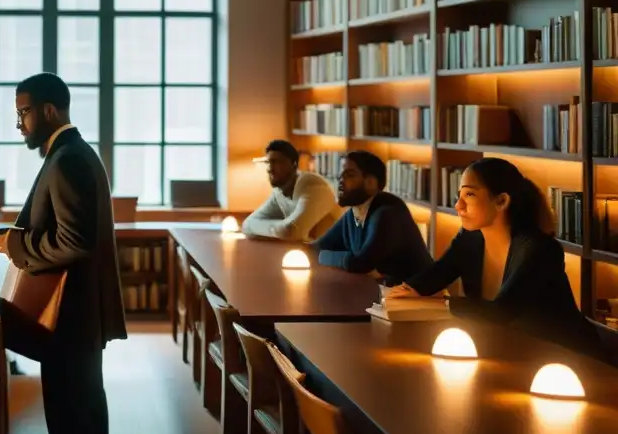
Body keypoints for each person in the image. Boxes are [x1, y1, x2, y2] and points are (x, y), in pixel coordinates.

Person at [0, 72, 126, 434]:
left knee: (75, 423)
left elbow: (75, 242)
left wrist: (17, 244)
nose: (19, 124)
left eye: (24, 113)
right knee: (79, 421)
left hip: (69, 318)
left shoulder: (68, 159)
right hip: (73, 317)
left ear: (49, 111)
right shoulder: (69, 153)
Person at [387, 158, 605, 359]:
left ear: (501, 201)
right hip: (512, 351)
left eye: (469, 195)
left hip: (570, 358)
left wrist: (438, 302)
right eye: (459, 196)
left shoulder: (539, 249)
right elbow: (436, 274)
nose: (458, 206)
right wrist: (407, 290)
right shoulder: (470, 238)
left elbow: (502, 311)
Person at [315, 150, 433, 284]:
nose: (340, 181)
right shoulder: (354, 212)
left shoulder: (388, 214)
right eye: (340, 175)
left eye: (349, 175)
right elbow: (318, 247)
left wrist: (325, 256)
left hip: (419, 297)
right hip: (388, 293)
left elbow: (361, 264)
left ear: (371, 182)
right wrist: (338, 257)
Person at [241, 140, 341, 240]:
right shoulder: (279, 192)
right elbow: (247, 225)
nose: (270, 169)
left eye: (277, 162)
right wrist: (281, 228)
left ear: (294, 165)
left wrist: (266, 228)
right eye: (268, 162)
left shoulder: (313, 187)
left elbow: (292, 231)